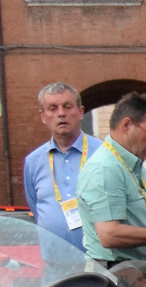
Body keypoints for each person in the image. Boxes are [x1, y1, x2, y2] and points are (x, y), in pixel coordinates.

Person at [77, 93, 146, 266]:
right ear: (127, 125)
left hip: (131, 270)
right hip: (115, 273)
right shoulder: (105, 168)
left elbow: (142, 223)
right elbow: (110, 235)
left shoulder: (131, 164)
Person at [22, 82, 101, 250]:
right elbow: (36, 208)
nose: (61, 114)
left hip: (98, 261)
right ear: (43, 116)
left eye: (67, 107)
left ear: (80, 112)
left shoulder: (103, 154)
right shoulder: (33, 162)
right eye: (52, 108)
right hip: (54, 263)